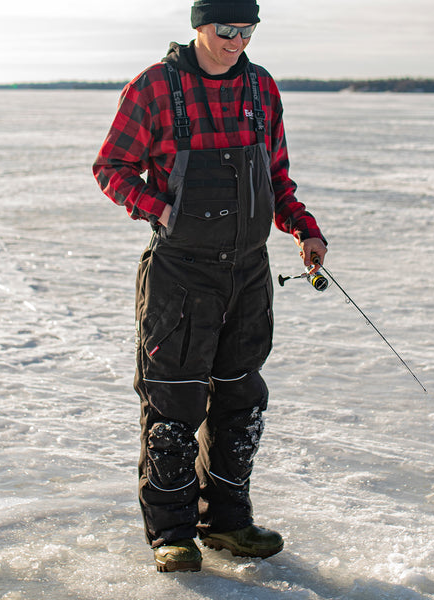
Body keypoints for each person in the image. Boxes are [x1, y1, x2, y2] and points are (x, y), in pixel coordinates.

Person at [92, 0, 327, 573]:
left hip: (246, 273)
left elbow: (275, 176)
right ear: (199, 26)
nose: (238, 41)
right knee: (174, 402)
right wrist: (162, 212)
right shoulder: (153, 88)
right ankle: (172, 535)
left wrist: (303, 227)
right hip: (181, 275)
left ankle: (227, 521)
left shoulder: (261, 88)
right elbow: (111, 168)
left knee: (240, 398)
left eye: (248, 30)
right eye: (227, 29)